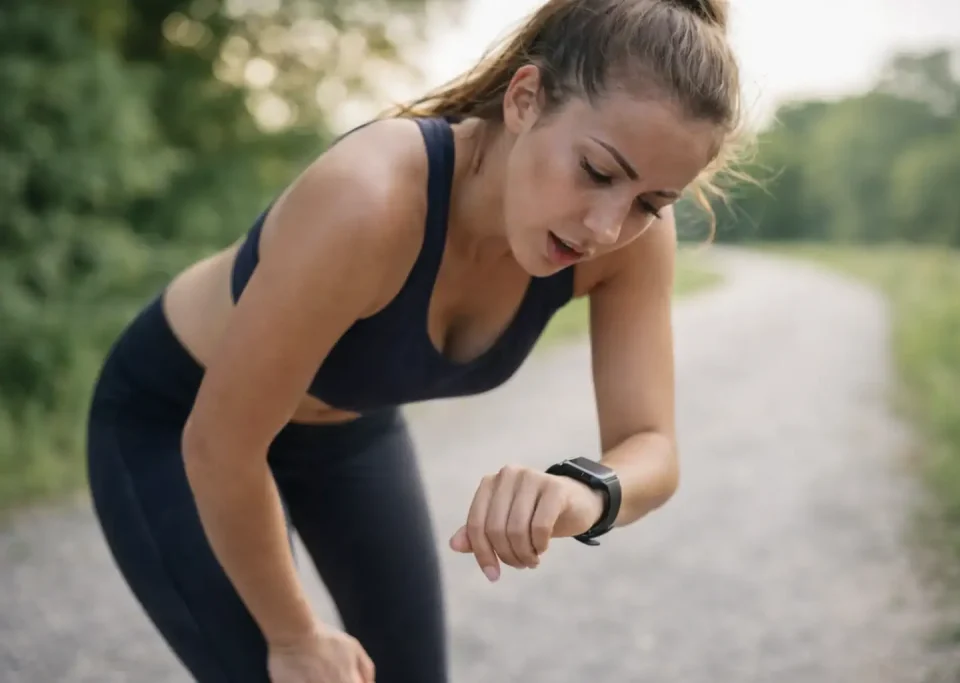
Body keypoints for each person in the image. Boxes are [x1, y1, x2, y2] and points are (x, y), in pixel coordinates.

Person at [85, 0, 745, 681]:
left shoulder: (628, 245)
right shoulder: (370, 198)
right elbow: (221, 444)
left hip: (345, 433)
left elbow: (652, 446)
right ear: (525, 99)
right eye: (599, 172)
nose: (607, 226)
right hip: (177, 420)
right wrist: (294, 634)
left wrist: (585, 493)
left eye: (650, 202)